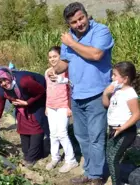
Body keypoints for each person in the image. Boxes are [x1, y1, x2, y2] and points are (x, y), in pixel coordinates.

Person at [47, 2, 114, 185]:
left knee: (96, 137)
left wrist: (71, 43)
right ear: (68, 23)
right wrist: (55, 69)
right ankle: (89, 171)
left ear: (86, 15)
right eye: (74, 22)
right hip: (77, 95)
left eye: (81, 18)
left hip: (97, 94)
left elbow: (96, 55)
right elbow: (64, 63)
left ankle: (97, 176)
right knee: (82, 137)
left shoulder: (101, 31)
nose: (79, 24)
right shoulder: (68, 37)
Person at [0, 67, 49, 167]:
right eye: (0, 82)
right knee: (24, 131)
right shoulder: (1, 92)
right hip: (21, 103)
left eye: (4, 79)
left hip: (37, 97)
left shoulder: (24, 81)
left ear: (9, 76)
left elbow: (42, 91)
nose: (3, 83)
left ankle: (32, 158)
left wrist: (28, 102)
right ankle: (36, 154)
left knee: (36, 126)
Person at [102, 62, 140, 185]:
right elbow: (106, 105)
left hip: (124, 130)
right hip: (114, 129)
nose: (112, 78)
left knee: (113, 159)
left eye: (115, 75)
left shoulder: (130, 93)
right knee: (109, 157)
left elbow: (137, 114)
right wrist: (106, 93)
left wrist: (121, 128)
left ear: (125, 79)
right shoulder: (116, 89)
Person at [44, 46, 78, 172]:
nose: (52, 59)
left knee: (62, 133)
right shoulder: (47, 72)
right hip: (51, 106)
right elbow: (48, 90)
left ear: (61, 57)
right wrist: (47, 106)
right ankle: (55, 157)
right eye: (50, 57)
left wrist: (69, 107)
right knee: (53, 133)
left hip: (63, 105)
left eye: (55, 56)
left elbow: (71, 89)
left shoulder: (67, 71)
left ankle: (71, 160)